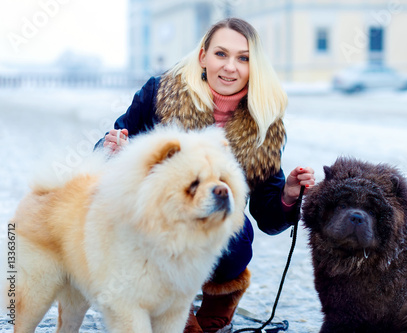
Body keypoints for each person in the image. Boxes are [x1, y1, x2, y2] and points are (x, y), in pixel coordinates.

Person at [96, 17, 315, 333]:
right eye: (221, 54)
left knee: (240, 237)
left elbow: (266, 214)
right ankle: (165, 304)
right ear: (203, 57)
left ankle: (221, 296)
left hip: (216, 223)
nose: (230, 67)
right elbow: (112, 148)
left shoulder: (264, 122)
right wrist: (112, 149)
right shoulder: (159, 94)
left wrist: (288, 195)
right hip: (154, 222)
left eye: (243, 58)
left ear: (255, 66)